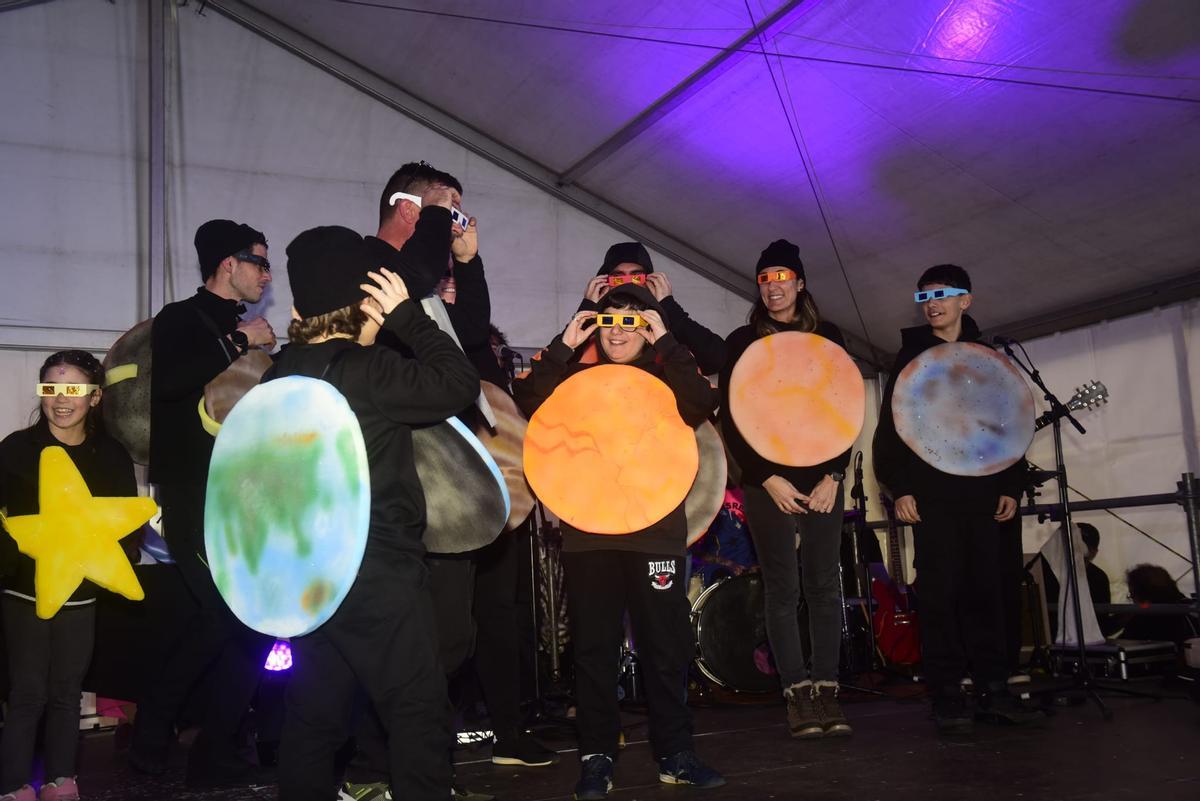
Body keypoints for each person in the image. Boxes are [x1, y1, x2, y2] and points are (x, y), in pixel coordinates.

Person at [270, 221, 480, 801]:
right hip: (375, 571)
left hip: (305, 576)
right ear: (367, 302)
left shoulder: (278, 373)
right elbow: (458, 382)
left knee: (313, 717)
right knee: (416, 711)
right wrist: (409, 318)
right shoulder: (370, 372)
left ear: (295, 305)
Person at [514, 282, 724, 801]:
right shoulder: (577, 378)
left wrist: (669, 341)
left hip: (654, 533)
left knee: (665, 648)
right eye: (609, 321)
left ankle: (675, 753)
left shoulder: (667, 378)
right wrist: (566, 342)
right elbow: (528, 401)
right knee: (593, 650)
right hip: (590, 534)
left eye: (632, 321)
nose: (618, 331)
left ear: (647, 328)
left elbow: (703, 402)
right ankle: (596, 756)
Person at [131, 220, 278, 785]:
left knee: (243, 623)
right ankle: (156, 730)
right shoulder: (182, 318)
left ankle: (215, 747)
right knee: (222, 617)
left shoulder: (240, 329)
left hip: (242, 494)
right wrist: (244, 342)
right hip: (193, 492)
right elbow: (171, 383)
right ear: (227, 264)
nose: (266, 275)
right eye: (259, 262)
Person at [873, 263, 1041, 735]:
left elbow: (1009, 426)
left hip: (986, 494)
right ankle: (946, 693)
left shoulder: (989, 357)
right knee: (940, 596)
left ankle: (995, 690)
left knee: (989, 593)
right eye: (925, 296)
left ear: (965, 300)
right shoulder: (908, 361)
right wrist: (899, 488)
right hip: (933, 496)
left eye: (942, 294)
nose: (933, 303)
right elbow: (889, 436)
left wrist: (1010, 486)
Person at [719, 240, 853, 740]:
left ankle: (827, 690)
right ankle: (796, 693)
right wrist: (764, 477)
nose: (773, 286)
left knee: (823, 584)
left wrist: (834, 476)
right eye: (764, 278)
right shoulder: (741, 340)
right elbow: (732, 416)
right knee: (782, 588)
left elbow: (846, 406)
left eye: (782, 276)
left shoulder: (827, 336)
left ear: (799, 283)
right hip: (766, 478)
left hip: (822, 477)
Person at [0, 351, 140, 801]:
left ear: (95, 397)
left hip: (82, 594)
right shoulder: (16, 449)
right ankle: (13, 785)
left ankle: (62, 780)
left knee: (67, 693)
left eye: (74, 390)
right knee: (26, 694)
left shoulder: (112, 454)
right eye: (51, 389)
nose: (62, 400)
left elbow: (126, 522)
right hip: (23, 591)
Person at [578, 242, 727, 374]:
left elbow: (714, 360)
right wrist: (588, 308)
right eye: (618, 278)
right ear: (605, 284)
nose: (628, 284)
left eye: (637, 277)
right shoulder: (596, 324)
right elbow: (558, 364)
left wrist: (668, 305)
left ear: (649, 282)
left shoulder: (663, 325)